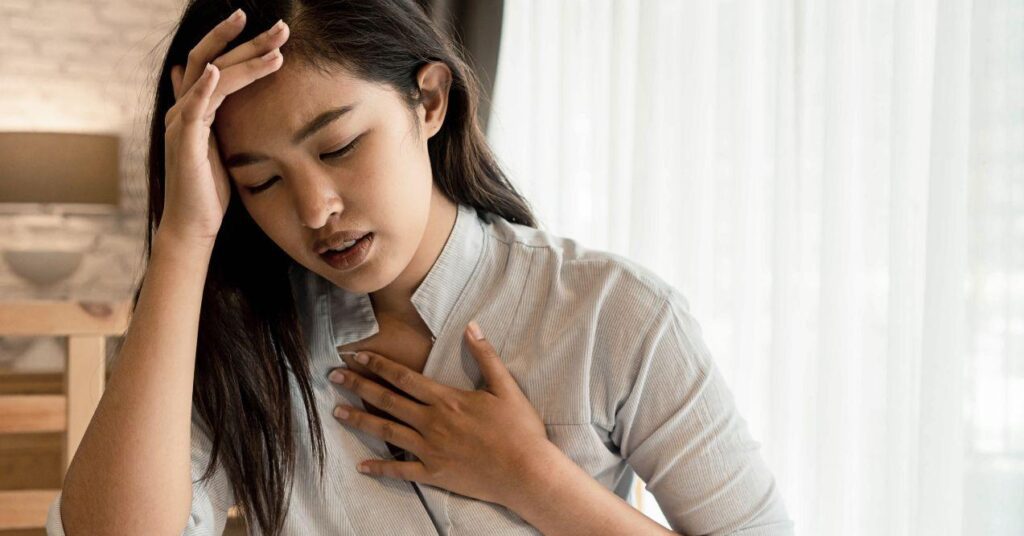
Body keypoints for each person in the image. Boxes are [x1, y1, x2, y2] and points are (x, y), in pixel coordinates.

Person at [48, 1, 795, 534]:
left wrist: (535, 482)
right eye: (261, 181)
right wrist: (184, 237)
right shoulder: (239, 338)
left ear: (428, 101)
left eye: (338, 147)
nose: (314, 209)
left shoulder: (613, 312)